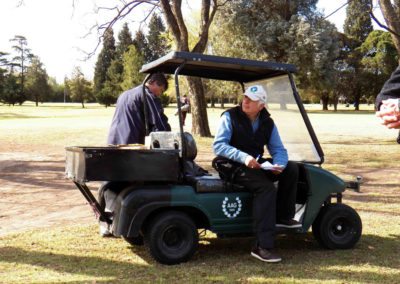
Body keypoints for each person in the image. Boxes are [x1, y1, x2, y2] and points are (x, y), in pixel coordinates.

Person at [213, 85, 300, 263]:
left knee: (292, 169)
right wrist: (243, 157)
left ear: (261, 105)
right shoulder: (230, 116)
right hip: (231, 165)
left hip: (255, 164)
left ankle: (283, 217)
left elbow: (278, 149)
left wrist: (280, 165)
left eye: (250, 100)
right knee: (266, 188)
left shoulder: (267, 122)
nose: (245, 101)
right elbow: (219, 146)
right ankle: (262, 246)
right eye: (245, 97)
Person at [107, 72, 171, 145]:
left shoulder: (124, 94)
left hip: (113, 141)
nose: (160, 94)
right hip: (132, 145)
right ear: (154, 82)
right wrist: (168, 137)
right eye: (161, 90)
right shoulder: (147, 95)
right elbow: (159, 123)